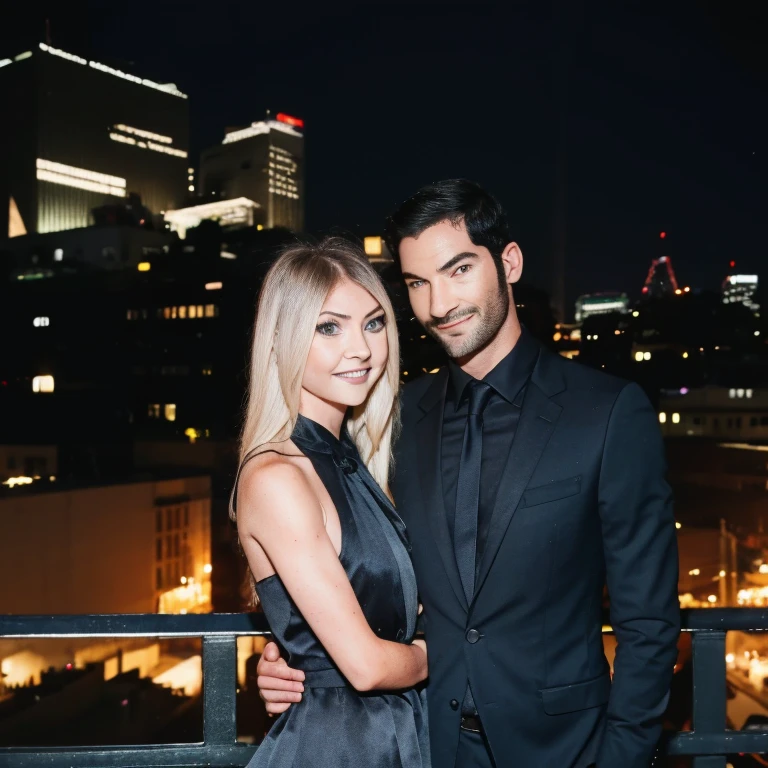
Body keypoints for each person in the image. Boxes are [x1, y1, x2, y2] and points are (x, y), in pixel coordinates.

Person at [257, 180, 681, 768]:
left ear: (508, 262)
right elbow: (356, 569)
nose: (438, 304)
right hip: (424, 742)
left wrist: (622, 758)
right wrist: (294, 652)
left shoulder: (607, 413)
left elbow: (649, 621)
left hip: (564, 750)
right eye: (417, 283)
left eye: (458, 270)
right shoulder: (391, 422)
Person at [232, 238, 431, 767]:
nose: (361, 348)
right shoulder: (277, 474)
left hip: (389, 735)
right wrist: (447, 654)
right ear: (283, 341)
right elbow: (363, 665)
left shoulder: (357, 464)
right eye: (329, 327)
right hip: (337, 747)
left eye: (373, 323)